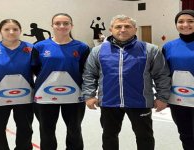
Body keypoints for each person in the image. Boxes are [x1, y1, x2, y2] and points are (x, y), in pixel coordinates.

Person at [82, 15, 171, 150]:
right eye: (118, 26)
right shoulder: (98, 51)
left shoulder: (150, 50)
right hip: (109, 102)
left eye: (127, 26)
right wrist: (89, 95)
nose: (123, 30)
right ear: (111, 29)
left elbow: (162, 75)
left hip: (140, 102)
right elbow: (89, 74)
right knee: (109, 136)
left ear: (135, 29)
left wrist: (162, 97)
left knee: (144, 136)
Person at [31, 13, 90, 150]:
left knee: (74, 131)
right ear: (52, 26)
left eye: (66, 23)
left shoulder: (82, 47)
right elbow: (35, 68)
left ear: (71, 25)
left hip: (74, 96)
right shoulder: (40, 46)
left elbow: (85, 70)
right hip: (45, 97)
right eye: (58, 23)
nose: (62, 26)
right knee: (47, 132)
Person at [0, 19, 34, 150]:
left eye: (15, 29)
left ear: (20, 31)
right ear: (0, 31)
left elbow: (41, 71)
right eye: (6, 29)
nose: (11, 32)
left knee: (25, 128)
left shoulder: (31, 49)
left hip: (25, 96)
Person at [162, 9, 194, 150]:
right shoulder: (168, 46)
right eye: (180, 21)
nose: (185, 24)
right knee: (185, 134)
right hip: (178, 99)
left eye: (191, 21)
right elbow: (163, 73)